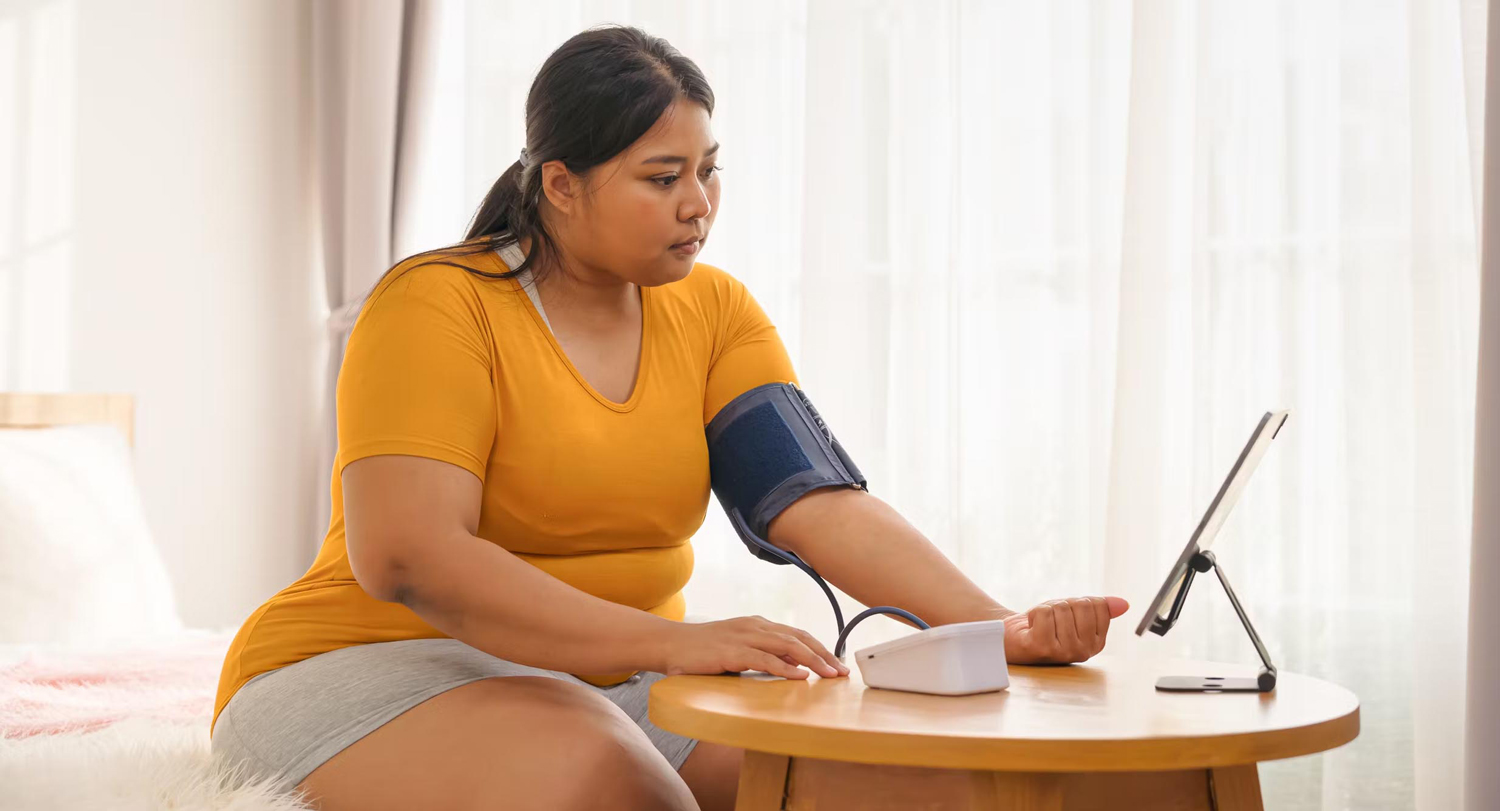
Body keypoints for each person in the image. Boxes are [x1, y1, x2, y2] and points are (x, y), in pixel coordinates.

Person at [209, 24, 1129, 811]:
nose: (699, 205)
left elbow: (815, 502)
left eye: (708, 171)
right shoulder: (436, 304)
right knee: (608, 772)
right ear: (561, 185)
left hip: (600, 680)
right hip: (363, 669)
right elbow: (411, 556)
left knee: (871, 777)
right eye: (662, 177)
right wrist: (680, 645)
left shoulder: (713, 310)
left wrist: (997, 629)